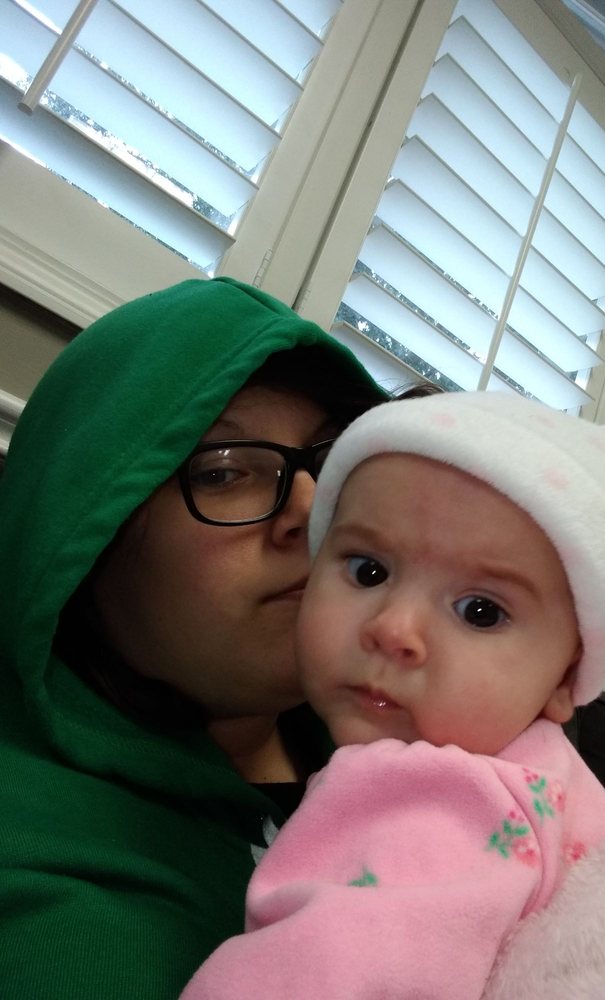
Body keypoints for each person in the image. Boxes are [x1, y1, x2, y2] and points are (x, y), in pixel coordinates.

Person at [181, 389, 605, 1000]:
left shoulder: (433, 797)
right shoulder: (544, 779)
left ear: (565, 682)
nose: (394, 630)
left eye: (480, 611)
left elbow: (326, 973)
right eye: (369, 571)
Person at [0, 276, 389, 1000]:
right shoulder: (50, 900)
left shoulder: (426, 745)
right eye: (225, 472)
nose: (312, 512)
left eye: (330, 463)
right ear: (84, 538)